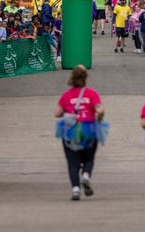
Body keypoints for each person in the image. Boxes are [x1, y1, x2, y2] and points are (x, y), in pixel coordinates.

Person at [54, 65, 104, 201]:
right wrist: (98, 114)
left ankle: (76, 189)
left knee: (73, 162)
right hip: (88, 129)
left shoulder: (66, 95)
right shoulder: (92, 93)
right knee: (88, 158)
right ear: (86, 78)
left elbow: (57, 113)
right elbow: (99, 109)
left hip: (70, 131)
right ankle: (86, 175)